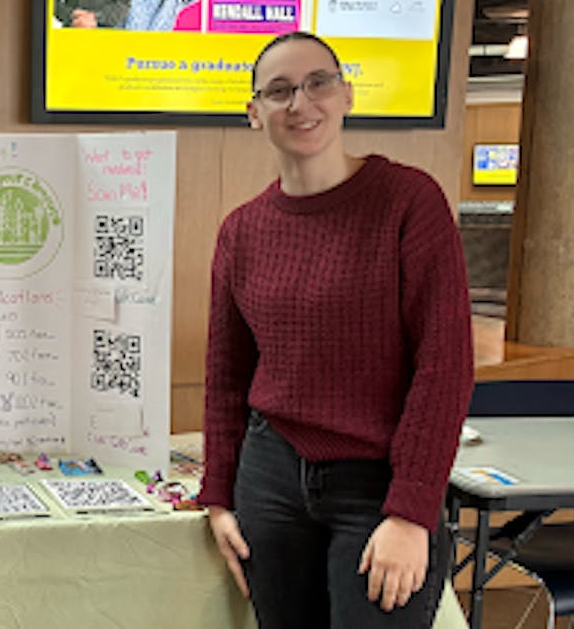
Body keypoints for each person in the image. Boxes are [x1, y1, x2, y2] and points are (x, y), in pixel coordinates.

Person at [201, 31, 473, 628]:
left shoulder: (408, 202)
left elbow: (444, 366)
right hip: (270, 483)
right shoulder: (241, 231)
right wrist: (219, 495)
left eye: (318, 83)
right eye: (279, 91)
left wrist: (411, 511)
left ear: (346, 95)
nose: (301, 103)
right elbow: (226, 377)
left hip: (377, 487)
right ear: (255, 114)